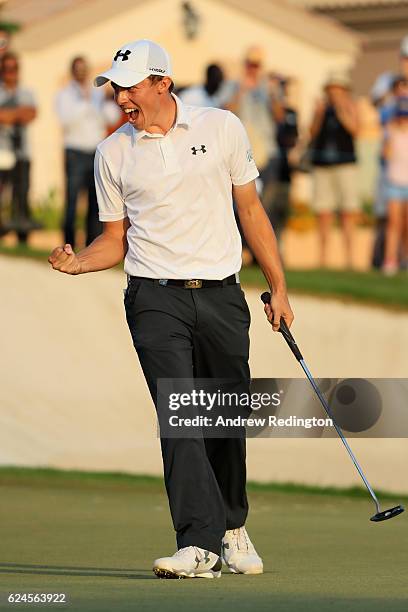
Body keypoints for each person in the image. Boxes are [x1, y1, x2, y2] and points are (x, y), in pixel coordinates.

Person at [48, 39, 293, 579]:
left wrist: (278, 284)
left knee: (224, 416)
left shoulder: (221, 127)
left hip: (222, 295)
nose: (121, 98)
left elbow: (249, 209)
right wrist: (81, 263)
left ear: (163, 82)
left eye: (130, 86)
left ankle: (231, 525)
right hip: (154, 298)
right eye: (116, 89)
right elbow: (114, 239)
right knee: (180, 412)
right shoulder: (111, 153)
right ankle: (197, 541)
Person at [55, 56, 120, 248]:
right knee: (72, 200)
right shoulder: (65, 94)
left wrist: (105, 101)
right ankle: (68, 244)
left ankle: (92, 244)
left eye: (84, 68)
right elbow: (65, 120)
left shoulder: (98, 94)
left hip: (95, 151)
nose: (81, 72)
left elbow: (112, 117)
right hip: (74, 150)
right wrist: (86, 103)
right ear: (72, 71)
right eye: (78, 68)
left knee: (96, 201)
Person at [309, 71, 359, 268]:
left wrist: (342, 111)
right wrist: (320, 114)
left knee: (348, 211)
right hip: (323, 165)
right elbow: (311, 133)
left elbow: (356, 130)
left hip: (345, 164)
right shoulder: (322, 109)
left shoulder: (350, 107)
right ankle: (323, 258)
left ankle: (349, 258)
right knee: (324, 212)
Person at [0, 52, 39, 243]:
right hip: (2, 151)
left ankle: (22, 237)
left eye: (13, 69)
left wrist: (8, 114)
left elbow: (31, 114)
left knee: (22, 193)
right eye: (6, 69)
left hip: (23, 152)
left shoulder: (26, 92)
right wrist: (18, 113)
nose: (10, 73)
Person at [382, 97, 408, 275]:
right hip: (394, 182)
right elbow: (386, 155)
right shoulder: (391, 132)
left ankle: (405, 257)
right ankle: (390, 259)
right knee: (393, 223)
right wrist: (390, 135)